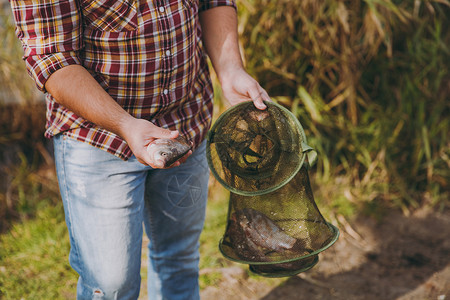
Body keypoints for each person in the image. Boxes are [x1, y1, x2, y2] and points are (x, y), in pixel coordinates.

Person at [10, 0, 270, 299]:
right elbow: (52, 57)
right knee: (111, 284)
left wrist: (230, 69)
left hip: (186, 124)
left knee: (179, 259)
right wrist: (125, 124)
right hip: (99, 140)